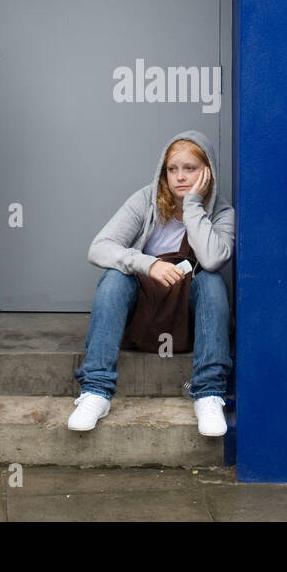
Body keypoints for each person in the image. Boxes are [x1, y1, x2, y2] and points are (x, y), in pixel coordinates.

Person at [70, 131, 234, 437]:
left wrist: (194, 206)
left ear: (207, 171)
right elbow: (99, 247)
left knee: (211, 281)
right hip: (147, 308)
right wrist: (149, 263)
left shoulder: (222, 212)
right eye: (173, 169)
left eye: (191, 169)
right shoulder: (147, 200)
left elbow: (212, 260)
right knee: (114, 278)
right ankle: (96, 391)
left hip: (185, 315)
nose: (180, 177)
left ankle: (209, 394)